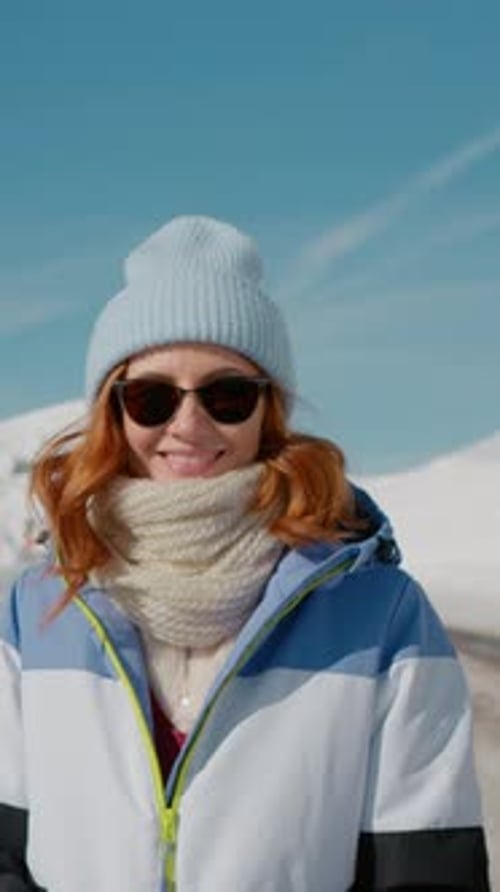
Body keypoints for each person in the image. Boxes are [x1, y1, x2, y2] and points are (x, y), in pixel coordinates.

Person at [0, 215, 490, 892]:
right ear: (113, 412)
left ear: (269, 411)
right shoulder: (38, 611)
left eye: (227, 395)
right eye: (151, 397)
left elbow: (426, 874)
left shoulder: (382, 615)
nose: (189, 425)